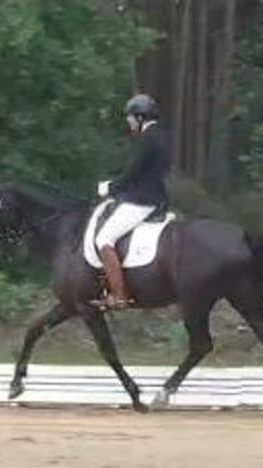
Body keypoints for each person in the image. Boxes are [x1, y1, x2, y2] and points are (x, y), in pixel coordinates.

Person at [93, 93, 170, 309]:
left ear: (140, 117)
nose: (128, 122)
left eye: (130, 117)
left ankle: (119, 295)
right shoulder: (161, 135)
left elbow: (133, 173)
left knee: (104, 240)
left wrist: (109, 187)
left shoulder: (147, 139)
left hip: (142, 201)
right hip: (155, 198)